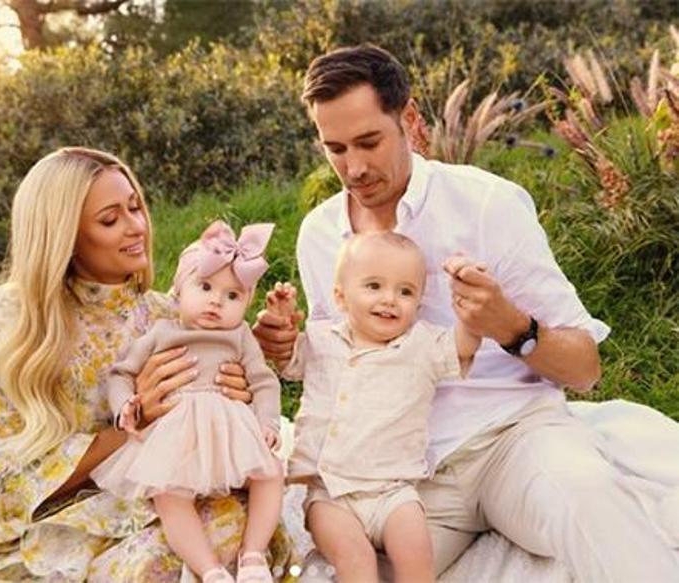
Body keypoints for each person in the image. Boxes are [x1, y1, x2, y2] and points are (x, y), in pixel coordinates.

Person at [253, 45, 679, 581]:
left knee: (590, 500)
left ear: (409, 118)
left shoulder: (487, 205)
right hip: (400, 477)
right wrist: (281, 348)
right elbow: (334, 363)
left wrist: (512, 327)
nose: (353, 168)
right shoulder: (320, 235)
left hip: (513, 438)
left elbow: (585, 368)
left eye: (369, 142)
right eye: (334, 149)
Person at [0, 147, 296, 581]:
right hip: (59, 517)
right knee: (159, 563)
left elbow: (221, 410)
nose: (136, 226)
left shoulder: (167, 315)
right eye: (110, 219)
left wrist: (245, 381)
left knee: (231, 529)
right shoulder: (18, 319)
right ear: (65, 236)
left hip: (155, 499)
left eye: (135, 207)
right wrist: (136, 421)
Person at [269, 232, 481, 583]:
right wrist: (282, 319)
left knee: (417, 553)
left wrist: (470, 310)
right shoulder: (321, 340)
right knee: (356, 559)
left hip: (394, 491)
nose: (390, 300)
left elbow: (464, 347)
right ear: (340, 296)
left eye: (405, 292)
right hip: (329, 493)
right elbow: (286, 358)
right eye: (373, 286)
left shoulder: (422, 344)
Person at [91, 219, 284, 583]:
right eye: (205, 287)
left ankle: (253, 555)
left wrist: (267, 422)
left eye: (233, 296)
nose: (216, 301)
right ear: (179, 290)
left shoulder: (240, 336)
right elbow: (121, 373)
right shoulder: (161, 332)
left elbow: (263, 382)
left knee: (272, 472)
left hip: (229, 432)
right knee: (168, 494)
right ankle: (209, 569)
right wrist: (124, 405)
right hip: (179, 436)